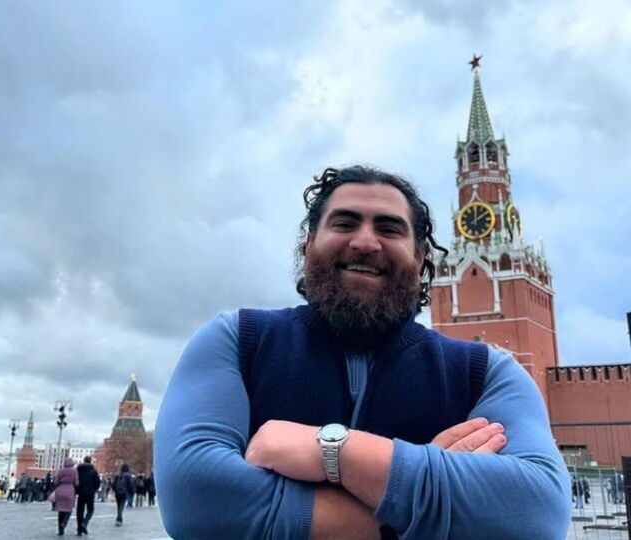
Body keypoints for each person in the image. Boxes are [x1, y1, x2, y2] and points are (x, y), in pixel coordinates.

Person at [154, 165, 572, 539]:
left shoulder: (484, 372)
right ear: (308, 246)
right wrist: (428, 496)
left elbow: (538, 513)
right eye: (345, 222)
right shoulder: (239, 340)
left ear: (421, 256)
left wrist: (330, 450)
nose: (366, 242)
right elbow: (195, 500)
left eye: (389, 228)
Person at [75, 455, 101, 536]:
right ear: (90, 461)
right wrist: (94, 489)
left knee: (80, 510)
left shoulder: (78, 470)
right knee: (90, 510)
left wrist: (77, 490)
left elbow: (76, 481)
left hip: (81, 492)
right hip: (90, 493)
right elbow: (97, 482)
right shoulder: (93, 471)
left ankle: (79, 528)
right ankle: (85, 523)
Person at [53, 458, 79, 536]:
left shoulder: (61, 471)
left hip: (60, 491)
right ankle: (64, 523)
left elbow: (56, 482)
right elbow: (76, 483)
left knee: (61, 511)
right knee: (69, 509)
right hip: (70, 491)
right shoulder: (74, 471)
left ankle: (60, 530)